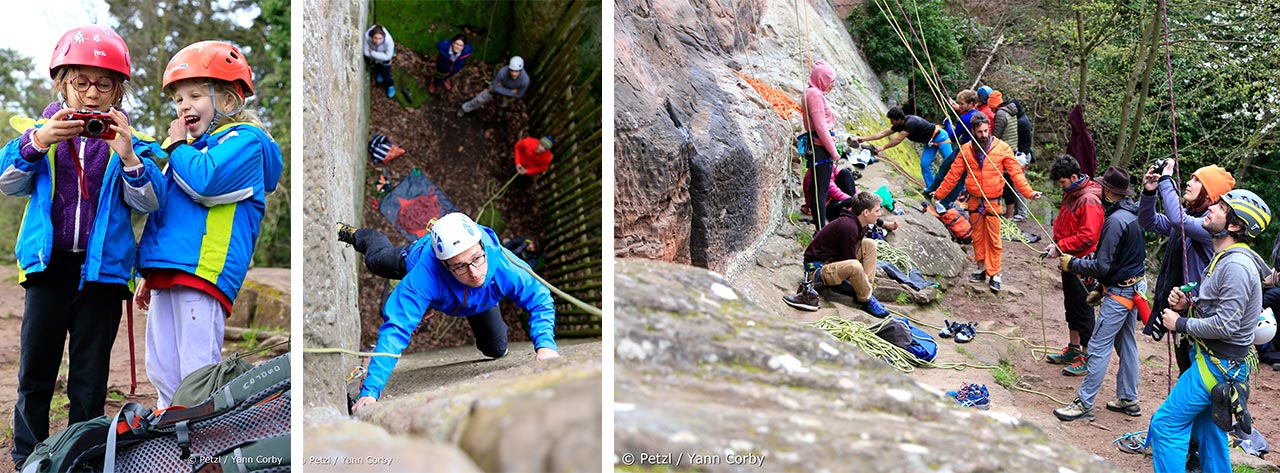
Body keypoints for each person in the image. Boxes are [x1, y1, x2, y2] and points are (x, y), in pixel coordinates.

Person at [0, 25, 165, 466]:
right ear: (62, 83)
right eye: (81, 82)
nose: (92, 94)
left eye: (104, 83)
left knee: (89, 380)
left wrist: (129, 156)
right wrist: (37, 143)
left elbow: (150, 200)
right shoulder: (36, 133)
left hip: (104, 277)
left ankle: (84, 457)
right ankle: (29, 458)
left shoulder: (131, 141)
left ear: (119, 90)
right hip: (48, 269)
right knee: (35, 374)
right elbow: (7, 183)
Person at [134, 41, 284, 409]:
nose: (184, 106)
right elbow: (166, 212)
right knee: (162, 367)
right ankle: (169, 438)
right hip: (169, 271)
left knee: (196, 370)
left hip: (204, 270)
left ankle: (205, 443)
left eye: (195, 95)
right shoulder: (187, 151)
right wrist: (148, 273)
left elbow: (206, 182)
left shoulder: (246, 142)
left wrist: (175, 146)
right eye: (178, 99)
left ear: (228, 102)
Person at [341, 213, 560, 413]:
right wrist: (370, 391)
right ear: (445, 265)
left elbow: (539, 298)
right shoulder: (425, 274)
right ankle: (358, 235)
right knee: (377, 260)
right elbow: (397, 329)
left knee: (496, 349)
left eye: (477, 258)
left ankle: (429, 298)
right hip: (414, 263)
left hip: (479, 303)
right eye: (460, 266)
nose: (474, 273)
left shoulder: (503, 264)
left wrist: (545, 344)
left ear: (482, 246)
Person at [1147, 189, 1271, 472]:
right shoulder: (1225, 259)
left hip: (1218, 366)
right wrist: (1190, 303)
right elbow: (1221, 310)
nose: (1210, 209)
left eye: (1220, 207)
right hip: (1218, 364)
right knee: (1211, 433)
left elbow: (1225, 326)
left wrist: (1179, 323)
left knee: (1165, 424)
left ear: (1235, 226)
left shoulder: (1236, 266)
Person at [1051, 166, 1147, 421]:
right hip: (1134, 287)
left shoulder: (1115, 221)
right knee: (1126, 343)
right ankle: (1128, 398)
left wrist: (1072, 263)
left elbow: (1103, 265)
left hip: (1120, 293)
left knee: (1097, 346)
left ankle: (1084, 403)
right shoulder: (1131, 214)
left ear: (1107, 190)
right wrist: (1097, 288)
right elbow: (1122, 260)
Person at [1139, 162, 1235, 373]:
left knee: (1197, 372)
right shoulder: (1188, 220)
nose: (1189, 184)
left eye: (1197, 181)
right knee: (1186, 367)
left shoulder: (1211, 227)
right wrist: (1149, 193)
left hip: (1200, 313)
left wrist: (1166, 180)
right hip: (1182, 307)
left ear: (1210, 195)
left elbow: (1177, 219)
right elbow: (1149, 221)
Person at [932, 113, 1042, 292]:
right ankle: (981, 268)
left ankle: (995, 273)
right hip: (975, 201)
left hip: (993, 201)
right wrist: (940, 194)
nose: (983, 135)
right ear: (973, 132)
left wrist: (1029, 193)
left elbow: (1016, 173)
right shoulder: (966, 150)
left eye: (985, 131)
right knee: (977, 236)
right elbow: (953, 174)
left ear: (989, 129)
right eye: (979, 132)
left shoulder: (1002, 148)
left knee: (993, 238)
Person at [782, 192, 892, 318]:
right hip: (817, 270)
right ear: (866, 212)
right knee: (854, 266)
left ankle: (865, 289)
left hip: (833, 261)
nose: (880, 214)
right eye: (877, 210)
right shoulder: (848, 227)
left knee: (870, 245)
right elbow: (849, 261)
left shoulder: (860, 224)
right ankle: (866, 298)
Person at [1042, 155, 1103, 376]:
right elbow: (1066, 223)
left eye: (1062, 182)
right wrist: (1057, 244)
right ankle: (1073, 347)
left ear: (1074, 177)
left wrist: (1061, 246)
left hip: (1083, 262)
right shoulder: (1071, 194)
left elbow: (1088, 236)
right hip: (1068, 259)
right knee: (1071, 305)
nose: (1061, 187)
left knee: (1084, 308)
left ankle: (1086, 356)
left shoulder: (1089, 199)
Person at [856, 107, 954, 191]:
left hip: (940, 137)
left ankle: (959, 190)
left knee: (951, 163)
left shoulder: (911, 122)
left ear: (899, 119)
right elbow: (882, 134)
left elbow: (898, 139)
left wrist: (882, 148)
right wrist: (863, 139)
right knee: (925, 164)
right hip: (930, 142)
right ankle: (932, 188)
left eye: (892, 120)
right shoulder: (899, 125)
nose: (891, 122)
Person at [796, 60, 841, 232]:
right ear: (822, 79)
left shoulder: (813, 93)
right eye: (830, 82)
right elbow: (821, 128)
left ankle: (819, 226)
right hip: (821, 148)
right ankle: (821, 231)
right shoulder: (814, 95)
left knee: (818, 189)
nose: (832, 86)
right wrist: (834, 153)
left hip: (820, 146)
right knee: (821, 191)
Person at [991, 89, 1029, 222]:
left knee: (1008, 183)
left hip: (1004, 151)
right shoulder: (1012, 112)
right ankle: (1011, 213)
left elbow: (996, 135)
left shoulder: (1001, 114)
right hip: (1012, 150)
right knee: (1011, 182)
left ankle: (1010, 214)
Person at [459, 56, 530, 117]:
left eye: (516, 71)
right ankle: (465, 108)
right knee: (480, 98)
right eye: (512, 70)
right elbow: (495, 87)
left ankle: (500, 107)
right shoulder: (503, 72)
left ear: (521, 70)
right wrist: (511, 92)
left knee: (503, 103)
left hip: (505, 93)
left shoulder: (525, 80)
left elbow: (519, 95)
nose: (513, 74)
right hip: (502, 90)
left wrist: (501, 89)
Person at [363, 24, 396, 98]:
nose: (377, 41)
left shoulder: (388, 41)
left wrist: (373, 53)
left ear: (383, 37)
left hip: (383, 59)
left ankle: (390, 86)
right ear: (372, 36)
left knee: (386, 75)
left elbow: (388, 56)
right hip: (376, 58)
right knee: (377, 67)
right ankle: (379, 73)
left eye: (380, 38)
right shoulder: (367, 37)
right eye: (375, 38)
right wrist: (380, 55)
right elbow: (365, 52)